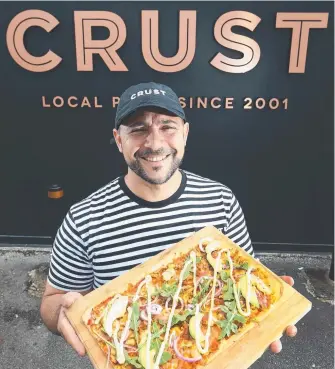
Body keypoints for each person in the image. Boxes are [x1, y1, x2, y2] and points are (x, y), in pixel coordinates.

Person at [40, 81, 297, 359]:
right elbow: (52, 303)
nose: (155, 143)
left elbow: (243, 273)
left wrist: (262, 300)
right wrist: (62, 312)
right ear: (118, 140)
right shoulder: (83, 219)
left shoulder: (220, 200)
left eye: (167, 127)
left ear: (185, 134)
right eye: (138, 129)